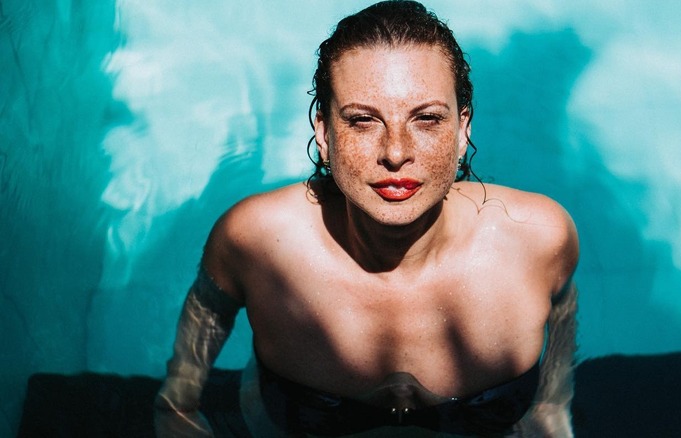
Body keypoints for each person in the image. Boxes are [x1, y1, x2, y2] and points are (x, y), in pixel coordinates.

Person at [154, 1, 579, 436]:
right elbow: (202, 329)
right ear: (323, 133)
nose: (395, 152)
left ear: (462, 130)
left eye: (428, 119)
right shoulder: (256, 241)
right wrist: (177, 406)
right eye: (362, 121)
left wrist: (552, 401)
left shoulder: (538, 237)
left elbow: (563, 308)